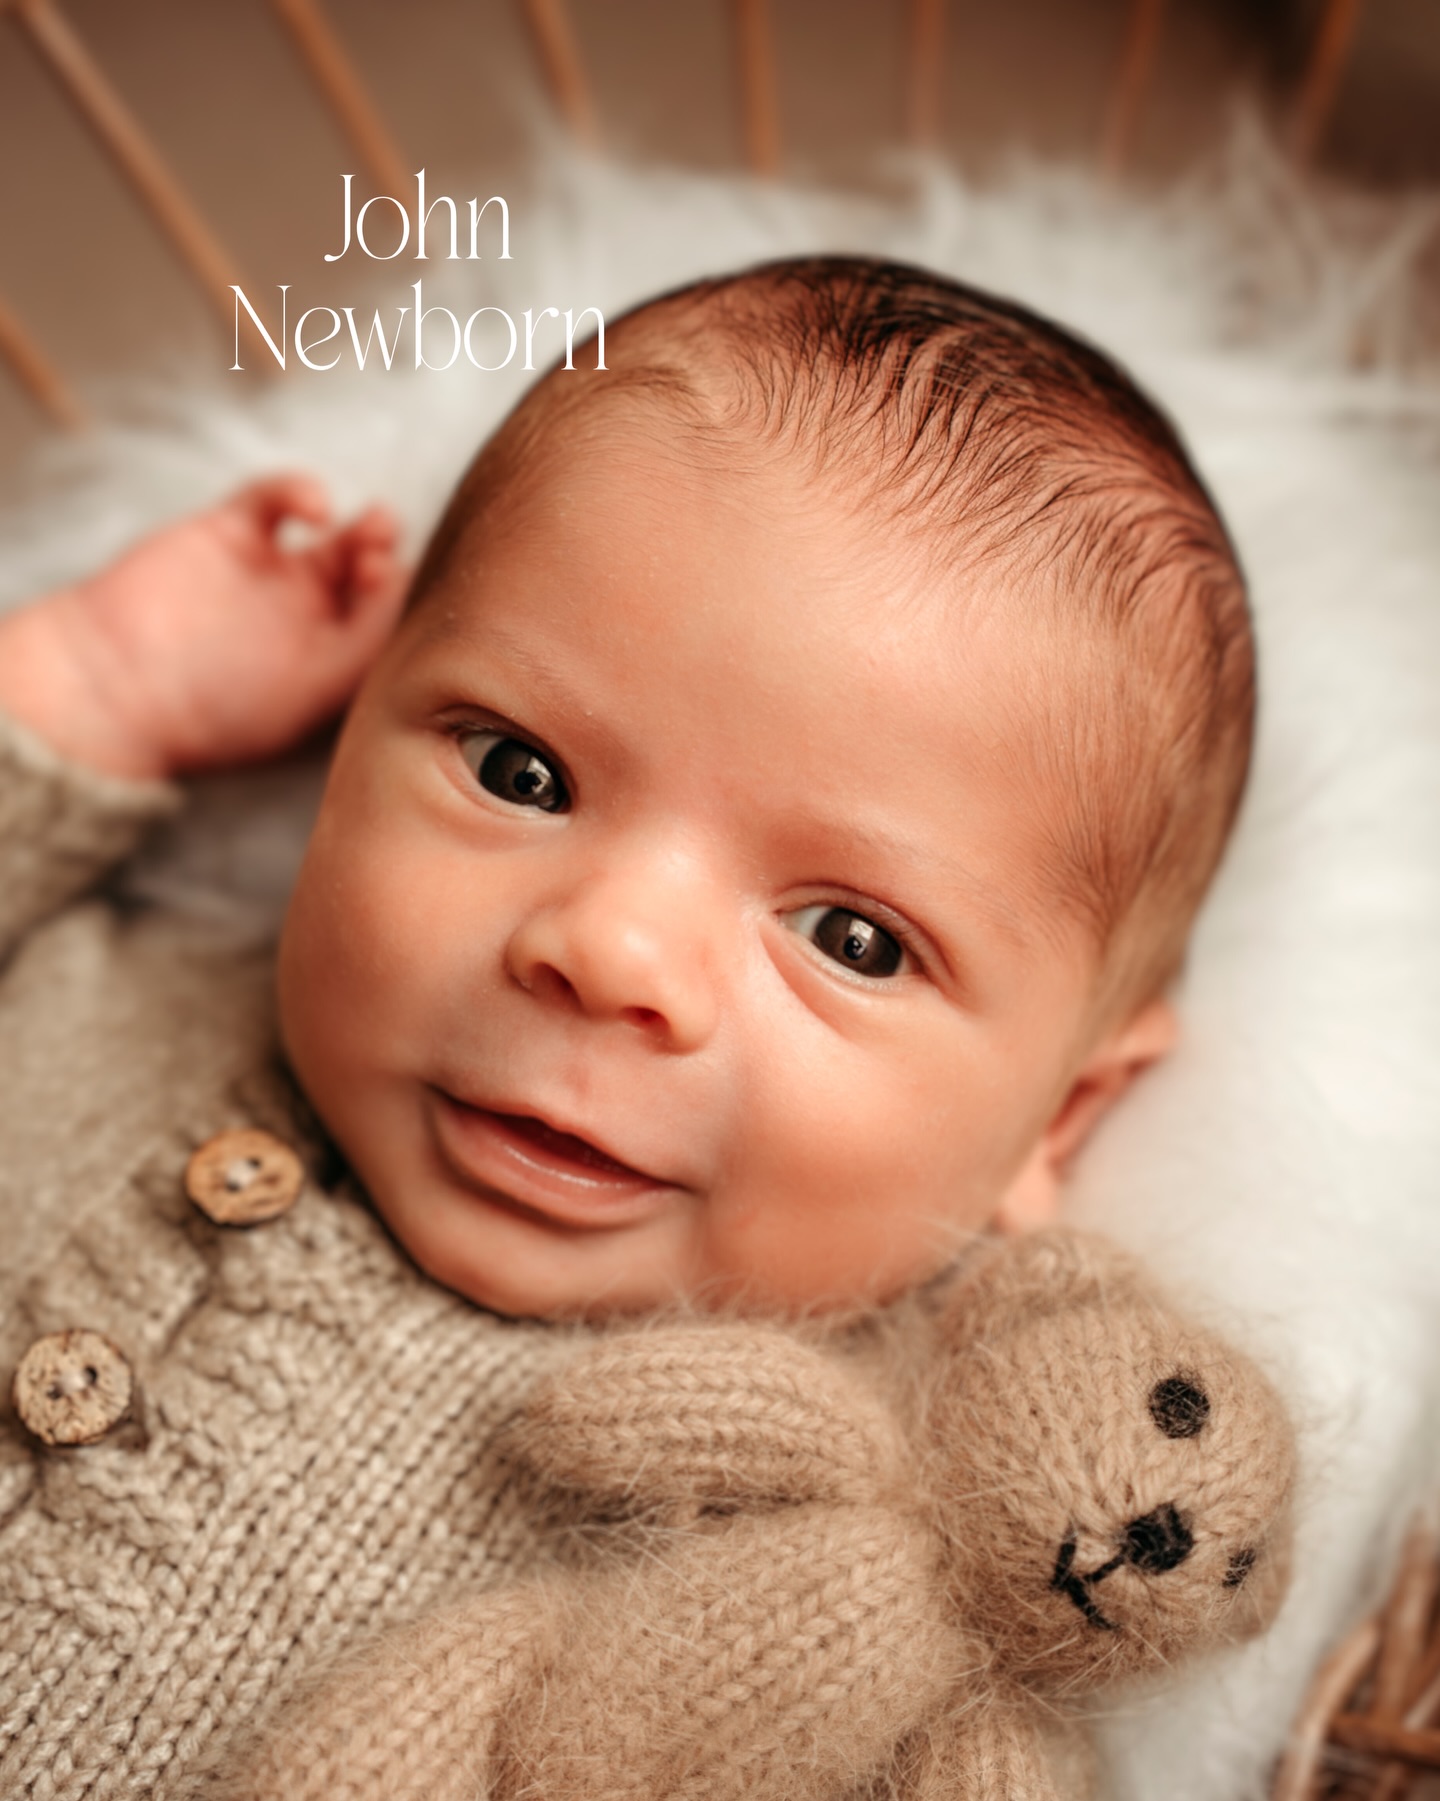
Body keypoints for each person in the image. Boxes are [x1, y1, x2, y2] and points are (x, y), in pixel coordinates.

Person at [0, 257, 1253, 1796]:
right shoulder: (98, 982)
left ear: (1059, 1115)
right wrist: (94, 685)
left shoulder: (851, 1563)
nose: (611, 952)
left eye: (851, 938)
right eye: (519, 772)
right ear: (352, 722)